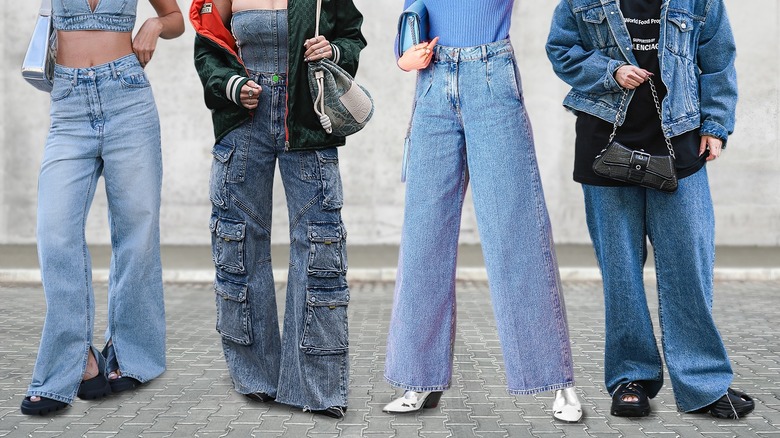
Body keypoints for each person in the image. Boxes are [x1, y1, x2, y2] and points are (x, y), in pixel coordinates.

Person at [546, 0, 754, 419]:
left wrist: (716, 125)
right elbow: (561, 50)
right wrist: (610, 72)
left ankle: (703, 383)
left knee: (688, 268)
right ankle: (631, 378)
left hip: (680, 141)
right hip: (605, 144)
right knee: (620, 272)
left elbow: (717, 59)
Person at [383, 0, 583, 422]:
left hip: (491, 78)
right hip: (432, 87)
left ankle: (557, 380)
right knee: (423, 240)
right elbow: (409, 17)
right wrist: (404, 57)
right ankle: (418, 377)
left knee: (517, 233)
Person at [190, 0, 366, 419]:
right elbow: (208, 50)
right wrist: (233, 85)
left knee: (319, 246)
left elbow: (352, 36)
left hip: (306, 121)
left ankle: (317, 386)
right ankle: (257, 377)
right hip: (243, 123)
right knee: (240, 244)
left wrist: (334, 51)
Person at [20, 0, 184, 416]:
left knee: (138, 230)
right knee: (54, 233)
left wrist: (154, 25)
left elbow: (177, 20)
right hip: (70, 105)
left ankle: (129, 354)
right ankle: (75, 362)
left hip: (128, 98)